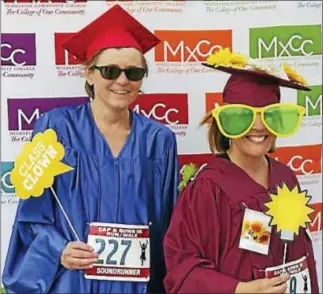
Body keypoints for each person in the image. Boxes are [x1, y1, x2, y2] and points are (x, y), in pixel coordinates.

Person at [2, 4, 179, 294]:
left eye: (133, 72)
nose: (122, 81)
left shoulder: (159, 140)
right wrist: (58, 249)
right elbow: (33, 210)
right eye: (110, 71)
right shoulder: (55, 129)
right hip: (73, 281)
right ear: (88, 73)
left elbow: (167, 226)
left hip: (137, 286)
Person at [163, 48, 319, 293]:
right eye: (243, 117)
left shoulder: (285, 177)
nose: (258, 127)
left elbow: (301, 255)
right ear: (226, 122)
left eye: (269, 116)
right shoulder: (208, 187)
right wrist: (240, 289)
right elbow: (183, 269)